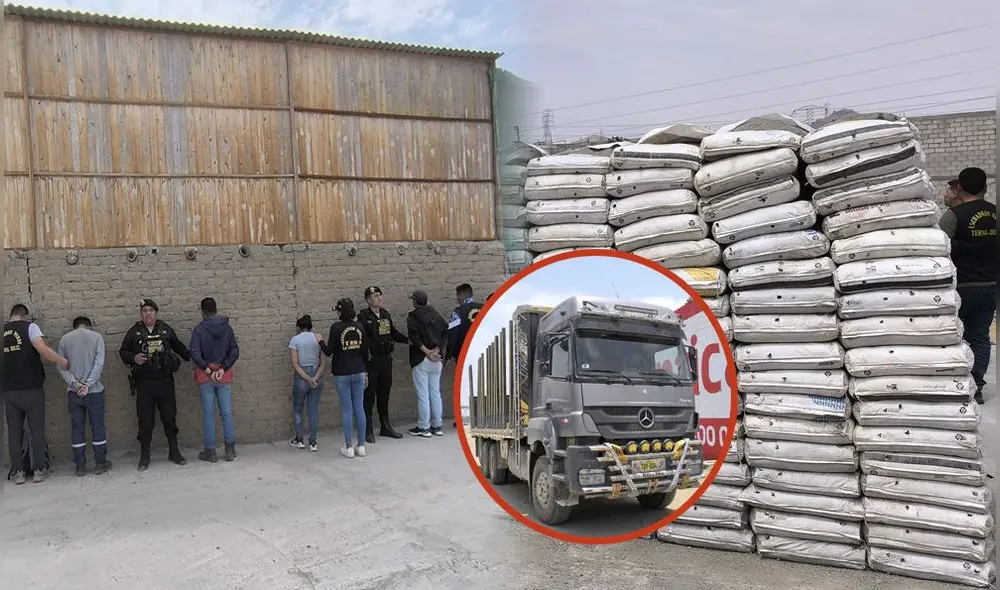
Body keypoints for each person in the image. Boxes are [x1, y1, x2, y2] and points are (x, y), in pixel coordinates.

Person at [939, 166, 997, 405]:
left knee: (953, 335)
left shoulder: (954, 216)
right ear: (985, 188)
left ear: (960, 188)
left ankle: (956, 384)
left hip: (961, 287)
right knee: (981, 336)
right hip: (991, 285)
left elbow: (939, 247)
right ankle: (978, 385)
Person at [119, 298, 191, 471]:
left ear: (156, 312)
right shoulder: (134, 331)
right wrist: (133, 358)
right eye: (145, 311)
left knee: (169, 417)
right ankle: (145, 456)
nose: (148, 313)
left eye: (151, 310)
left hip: (165, 382)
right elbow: (123, 352)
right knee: (145, 421)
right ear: (141, 314)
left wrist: (194, 356)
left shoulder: (165, 330)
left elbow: (180, 348)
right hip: (144, 384)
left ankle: (174, 452)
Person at [4, 304, 70, 484]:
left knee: (14, 433)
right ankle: (39, 470)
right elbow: (42, 349)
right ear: (25, 316)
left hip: (9, 391)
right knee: (36, 430)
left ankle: (18, 473)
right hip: (31, 388)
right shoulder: (30, 328)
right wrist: (62, 361)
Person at [57, 316, 112, 477]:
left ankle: (80, 465)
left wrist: (75, 383)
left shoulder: (65, 340)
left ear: (74, 326)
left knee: (77, 428)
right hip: (94, 391)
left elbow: (61, 366)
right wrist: (88, 384)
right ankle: (100, 462)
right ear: (89, 325)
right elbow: (99, 363)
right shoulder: (96, 337)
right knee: (98, 426)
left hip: (74, 393)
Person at [189, 297, 240, 463]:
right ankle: (230, 450)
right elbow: (234, 351)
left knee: (209, 414)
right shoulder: (227, 328)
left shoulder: (199, 330)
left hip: (206, 375)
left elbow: (194, 353)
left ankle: (210, 452)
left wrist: (208, 370)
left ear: (202, 311)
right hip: (224, 375)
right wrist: (223, 368)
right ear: (216, 309)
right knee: (226, 412)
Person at [318, 298, 370, 458]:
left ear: (340, 311)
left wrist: (319, 341)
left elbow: (329, 351)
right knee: (360, 408)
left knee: (347, 410)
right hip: (359, 370)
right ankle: (361, 445)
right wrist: (366, 371)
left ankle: (348, 446)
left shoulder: (336, 328)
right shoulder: (360, 327)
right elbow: (365, 352)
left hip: (342, 373)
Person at [357, 286, 408, 442]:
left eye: (380, 295)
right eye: (375, 296)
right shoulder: (363, 317)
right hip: (372, 361)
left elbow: (393, 333)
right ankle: (368, 430)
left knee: (384, 394)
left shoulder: (385, 314)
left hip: (385, 360)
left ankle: (385, 426)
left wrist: (409, 340)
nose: (378, 298)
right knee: (369, 395)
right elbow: (362, 340)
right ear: (368, 300)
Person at [406, 290, 449, 438]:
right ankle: (437, 425)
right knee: (435, 393)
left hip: (421, 359)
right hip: (437, 358)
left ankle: (424, 427)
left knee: (423, 395)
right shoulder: (435, 314)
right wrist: (436, 350)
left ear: (415, 301)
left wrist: (427, 352)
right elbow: (445, 331)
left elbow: (414, 337)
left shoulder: (413, 316)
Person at [288, 314, 326, 451]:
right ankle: (313, 442)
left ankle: (299, 439)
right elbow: (323, 363)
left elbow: (295, 364)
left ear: (298, 328)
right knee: (313, 410)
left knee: (298, 409)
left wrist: (307, 379)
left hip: (301, 377)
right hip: (317, 373)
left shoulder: (295, 340)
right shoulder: (318, 338)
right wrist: (314, 378)